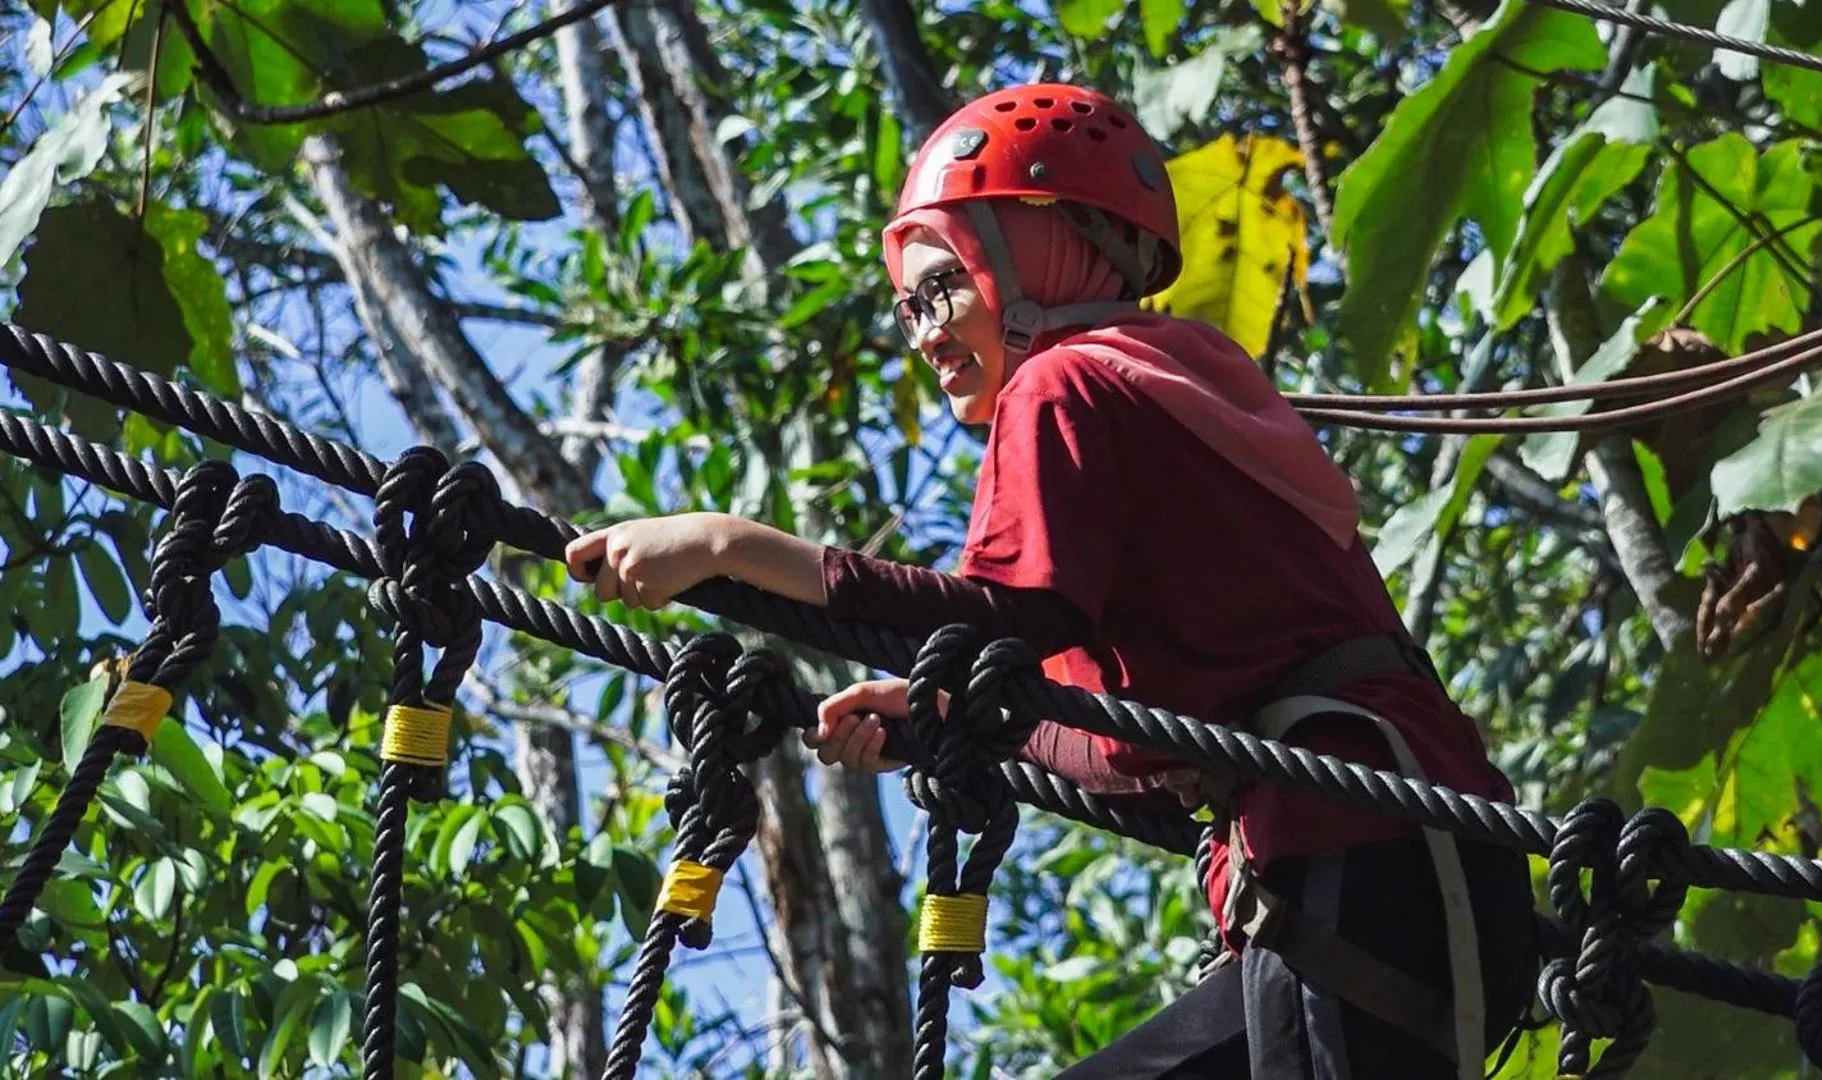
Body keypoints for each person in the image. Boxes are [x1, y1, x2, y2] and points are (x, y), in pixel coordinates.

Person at [563, 83, 1539, 1079]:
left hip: (1355, 861)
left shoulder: (1064, 382)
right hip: (1420, 872)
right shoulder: (1171, 382)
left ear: (1030, 254)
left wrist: (730, 546)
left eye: (942, 287)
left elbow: (1009, 617)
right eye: (908, 307)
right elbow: (1135, 744)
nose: (923, 333)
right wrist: (965, 718)